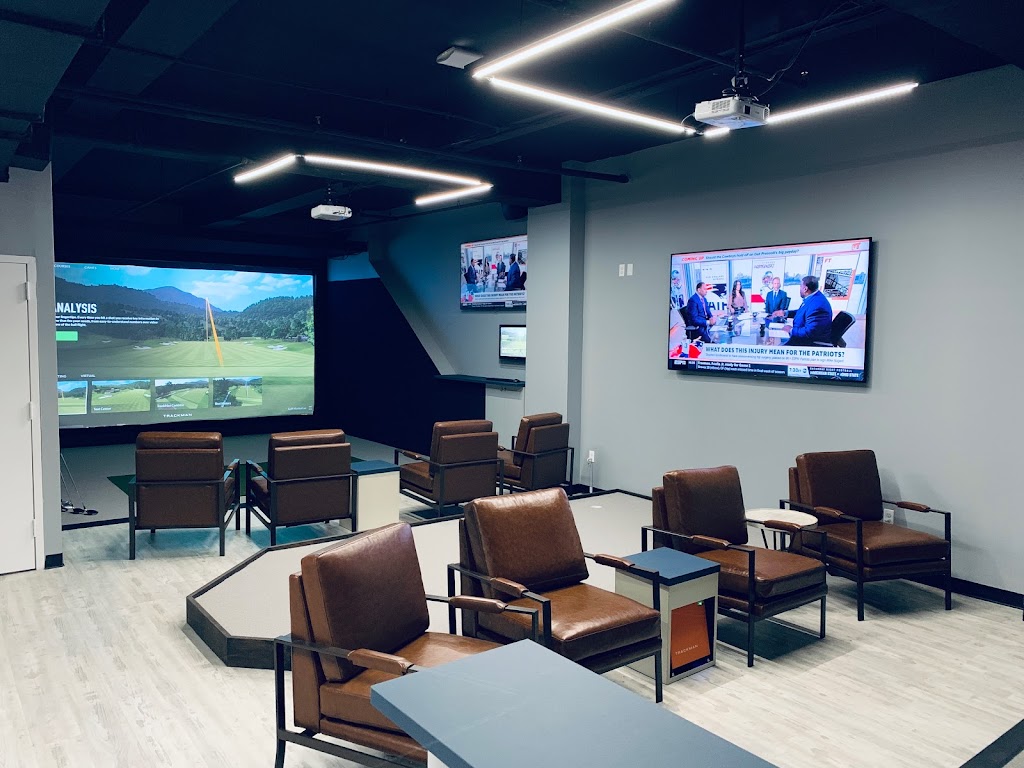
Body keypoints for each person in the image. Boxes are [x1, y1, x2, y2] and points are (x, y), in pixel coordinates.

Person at [784, 275, 832, 346]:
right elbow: (803, 312)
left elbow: (808, 332)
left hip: (807, 342)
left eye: (800, 286)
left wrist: (791, 330)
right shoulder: (814, 297)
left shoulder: (817, 305)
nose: (799, 288)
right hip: (802, 336)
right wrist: (786, 313)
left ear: (805, 289)